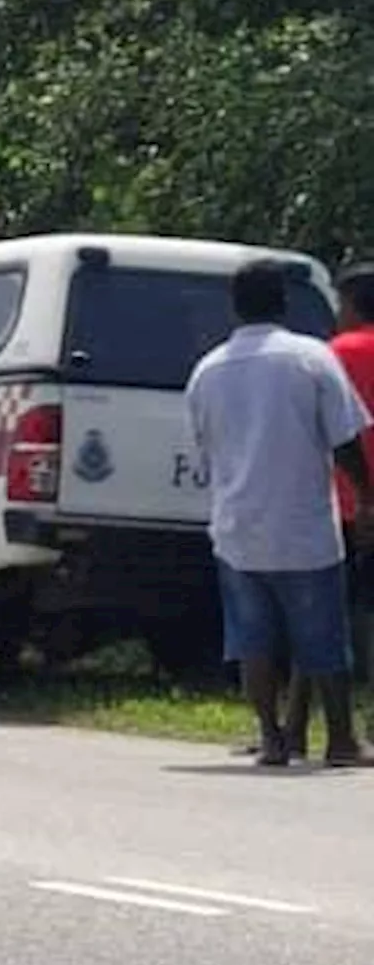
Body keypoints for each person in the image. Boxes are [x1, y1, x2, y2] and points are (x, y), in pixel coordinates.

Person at [186, 260, 374, 767]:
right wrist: (366, 498)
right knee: (322, 639)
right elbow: (345, 440)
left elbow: (205, 447)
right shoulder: (310, 359)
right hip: (303, 524)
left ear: (235, 305)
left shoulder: (208, 370)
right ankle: (341, 740)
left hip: (237, 527)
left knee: (253, 640)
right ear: (284, 302)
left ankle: (272, 738)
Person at [277, 263, 374, 753]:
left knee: (320, 618)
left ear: (352, 304)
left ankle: (296, 728)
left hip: (345, 501)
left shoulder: (332, 356)